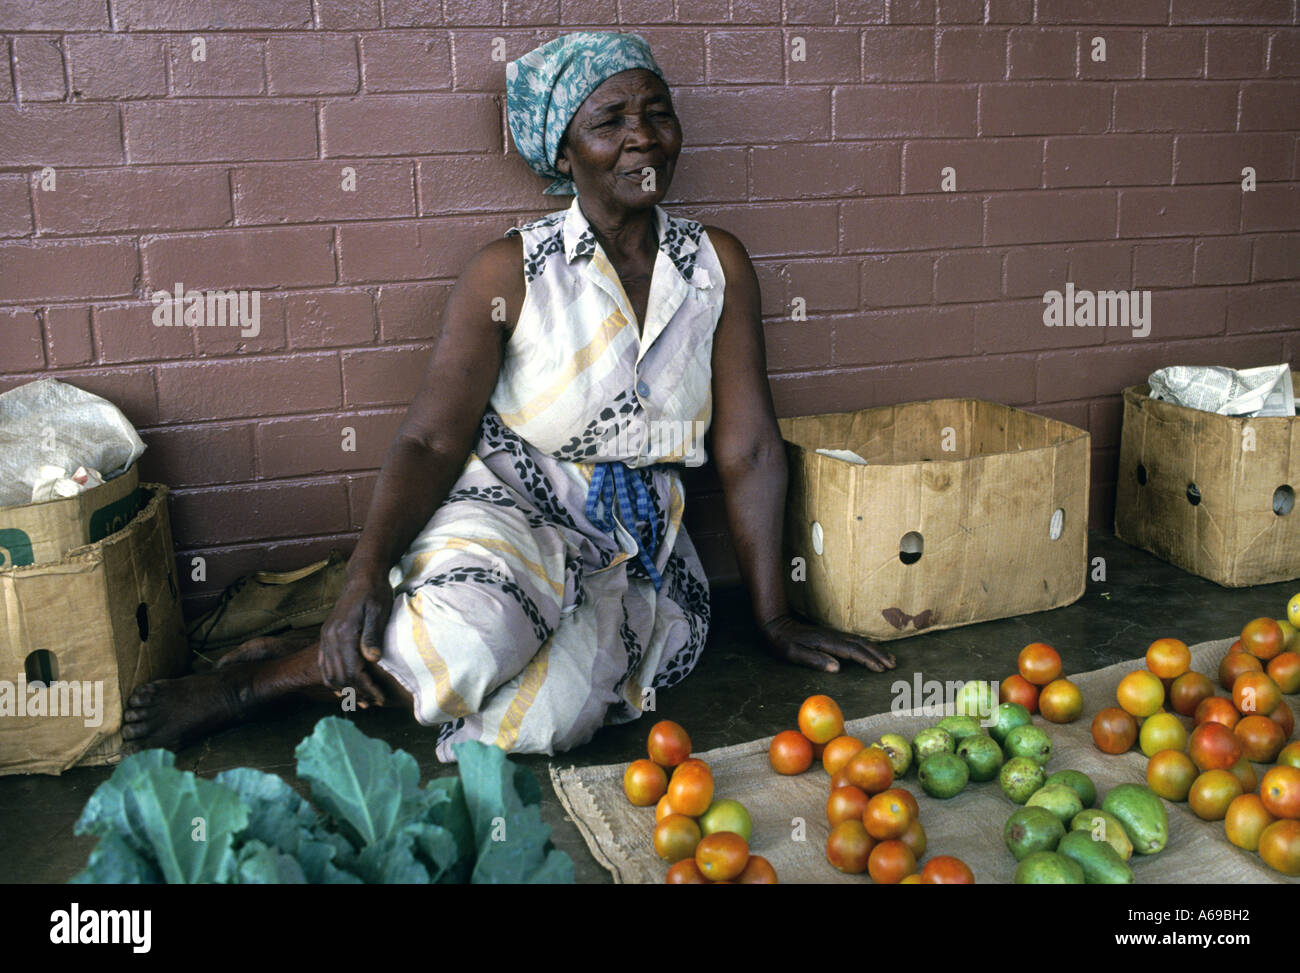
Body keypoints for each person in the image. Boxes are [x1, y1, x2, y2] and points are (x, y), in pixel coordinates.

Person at [123, 31, 895, 758]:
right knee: (472, 642)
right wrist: (364, 577)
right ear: (563, 149)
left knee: (555, 718)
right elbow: (428, 440)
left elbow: (750, 448)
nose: (643, 136)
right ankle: (251, 683)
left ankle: (325, 660)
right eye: (611, 119)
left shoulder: (714, 263)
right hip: (508, 503)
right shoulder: (511, 271)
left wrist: (772, 615)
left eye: (659, 113)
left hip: (633, 539)